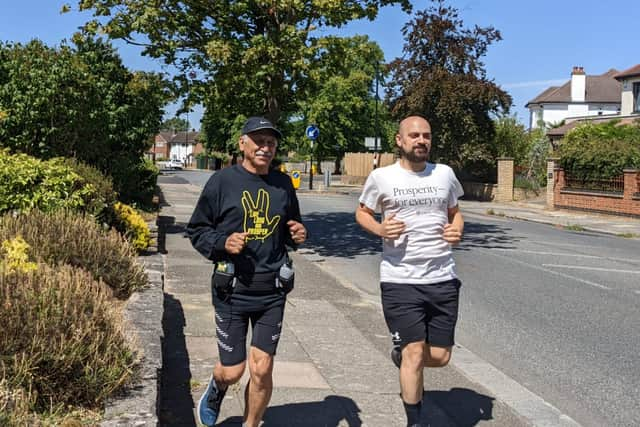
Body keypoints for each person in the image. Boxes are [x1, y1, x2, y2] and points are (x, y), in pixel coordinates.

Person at [187, 116, 307, 427]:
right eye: (258, 141)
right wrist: (223, 242)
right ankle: (217, 387)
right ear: (243, 143)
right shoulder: (222, 182)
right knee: (233, 370)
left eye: (271, 142)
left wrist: (297, 234)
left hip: (272, 291)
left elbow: (291, 227)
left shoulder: (283, 184)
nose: (265, 147)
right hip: (232, 289)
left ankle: (250, 423)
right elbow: (197, 230)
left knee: (262, 368)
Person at [355, 115, 464, 427]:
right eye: (414, 135)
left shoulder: (444, 174)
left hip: (442, 277)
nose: (421, 141)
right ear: (399, 140)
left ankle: (402, 358)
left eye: (426, 135)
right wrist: (379, 228)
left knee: (440, 357)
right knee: (415, 353)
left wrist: (456, 229)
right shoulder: (381, 177)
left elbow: (456, 213)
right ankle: (414, 421)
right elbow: (362, 212)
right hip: (400, 280)